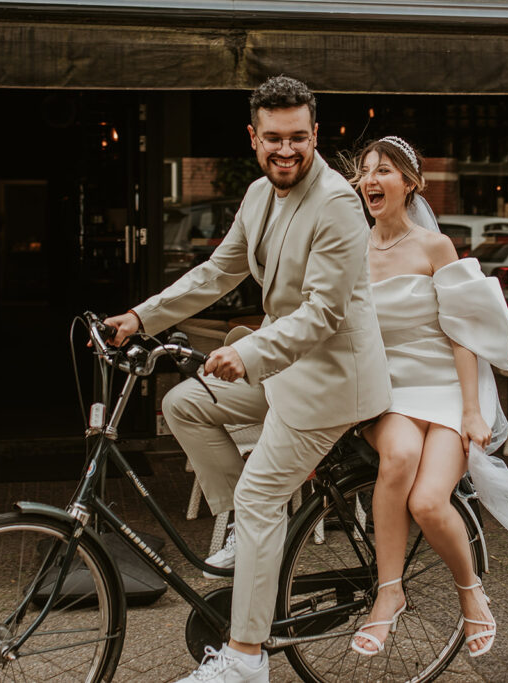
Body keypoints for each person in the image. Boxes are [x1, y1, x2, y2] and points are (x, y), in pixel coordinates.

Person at [103, 76, 391, 683]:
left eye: (297, 138)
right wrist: (140, 316)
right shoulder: (260, 194)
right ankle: (242, 529)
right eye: (272, 139)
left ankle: (245, 659)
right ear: (253, 137)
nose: (285, 150)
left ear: (314, 135)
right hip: (281, 366)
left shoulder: (337, 204)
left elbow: (323, 312)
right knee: (184, 404)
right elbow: (217, 272)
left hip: (329, 380)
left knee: (264, 497)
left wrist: (251, 352)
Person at [346, 136, 508, 658]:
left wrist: (469, 409)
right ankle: (387, 594)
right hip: (390, 389)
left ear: (410, 184)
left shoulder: (434, 247)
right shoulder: (350, 246)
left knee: (427, 501)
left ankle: (471, 594)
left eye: (384, 171)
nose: (371, 180)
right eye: (365, 171)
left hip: (444, 387)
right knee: (397, 458)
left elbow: (462, 331)